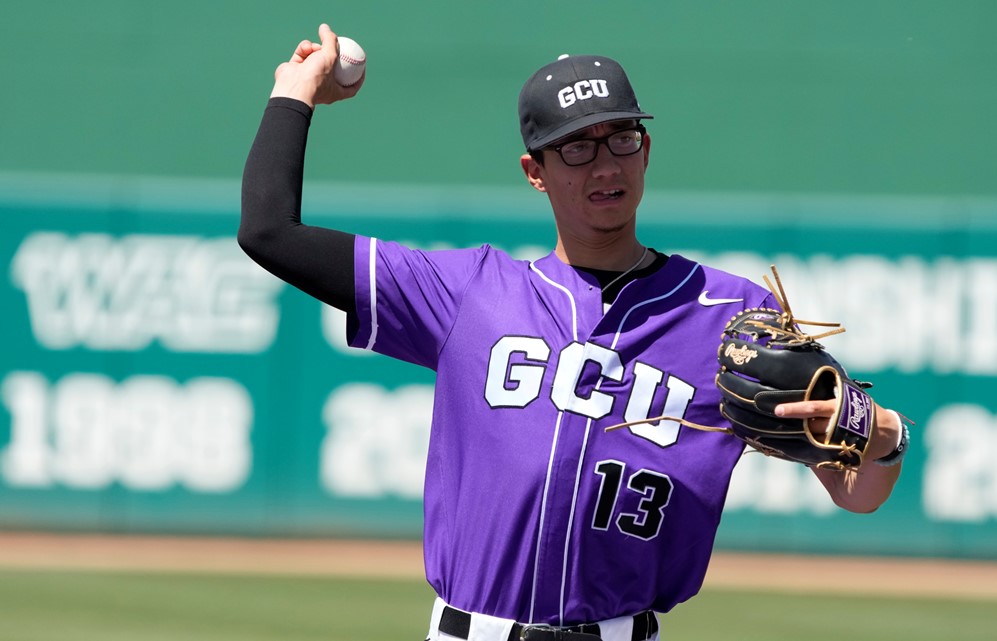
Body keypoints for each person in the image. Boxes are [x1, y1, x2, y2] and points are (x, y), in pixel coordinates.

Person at [239, 23, 908, 641]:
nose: (606, 165)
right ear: (536, 171)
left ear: (646, 150)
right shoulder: (467, 292)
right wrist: (293, 92)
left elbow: (859, 491)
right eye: (578, 147)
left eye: (622, 138)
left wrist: (881, 433)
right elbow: (269, 232)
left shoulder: (732, 314)